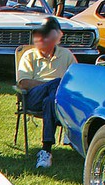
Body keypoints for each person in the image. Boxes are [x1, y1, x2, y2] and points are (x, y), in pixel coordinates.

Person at [16, 16, 76, 168]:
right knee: (56, 83)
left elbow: (75, 80)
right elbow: (24, 83)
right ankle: (69, 132)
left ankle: (46, 150)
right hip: (33, 97)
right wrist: (51, 84)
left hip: (56, 100)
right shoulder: (29, 55)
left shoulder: (66, 55)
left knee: (50, 101)